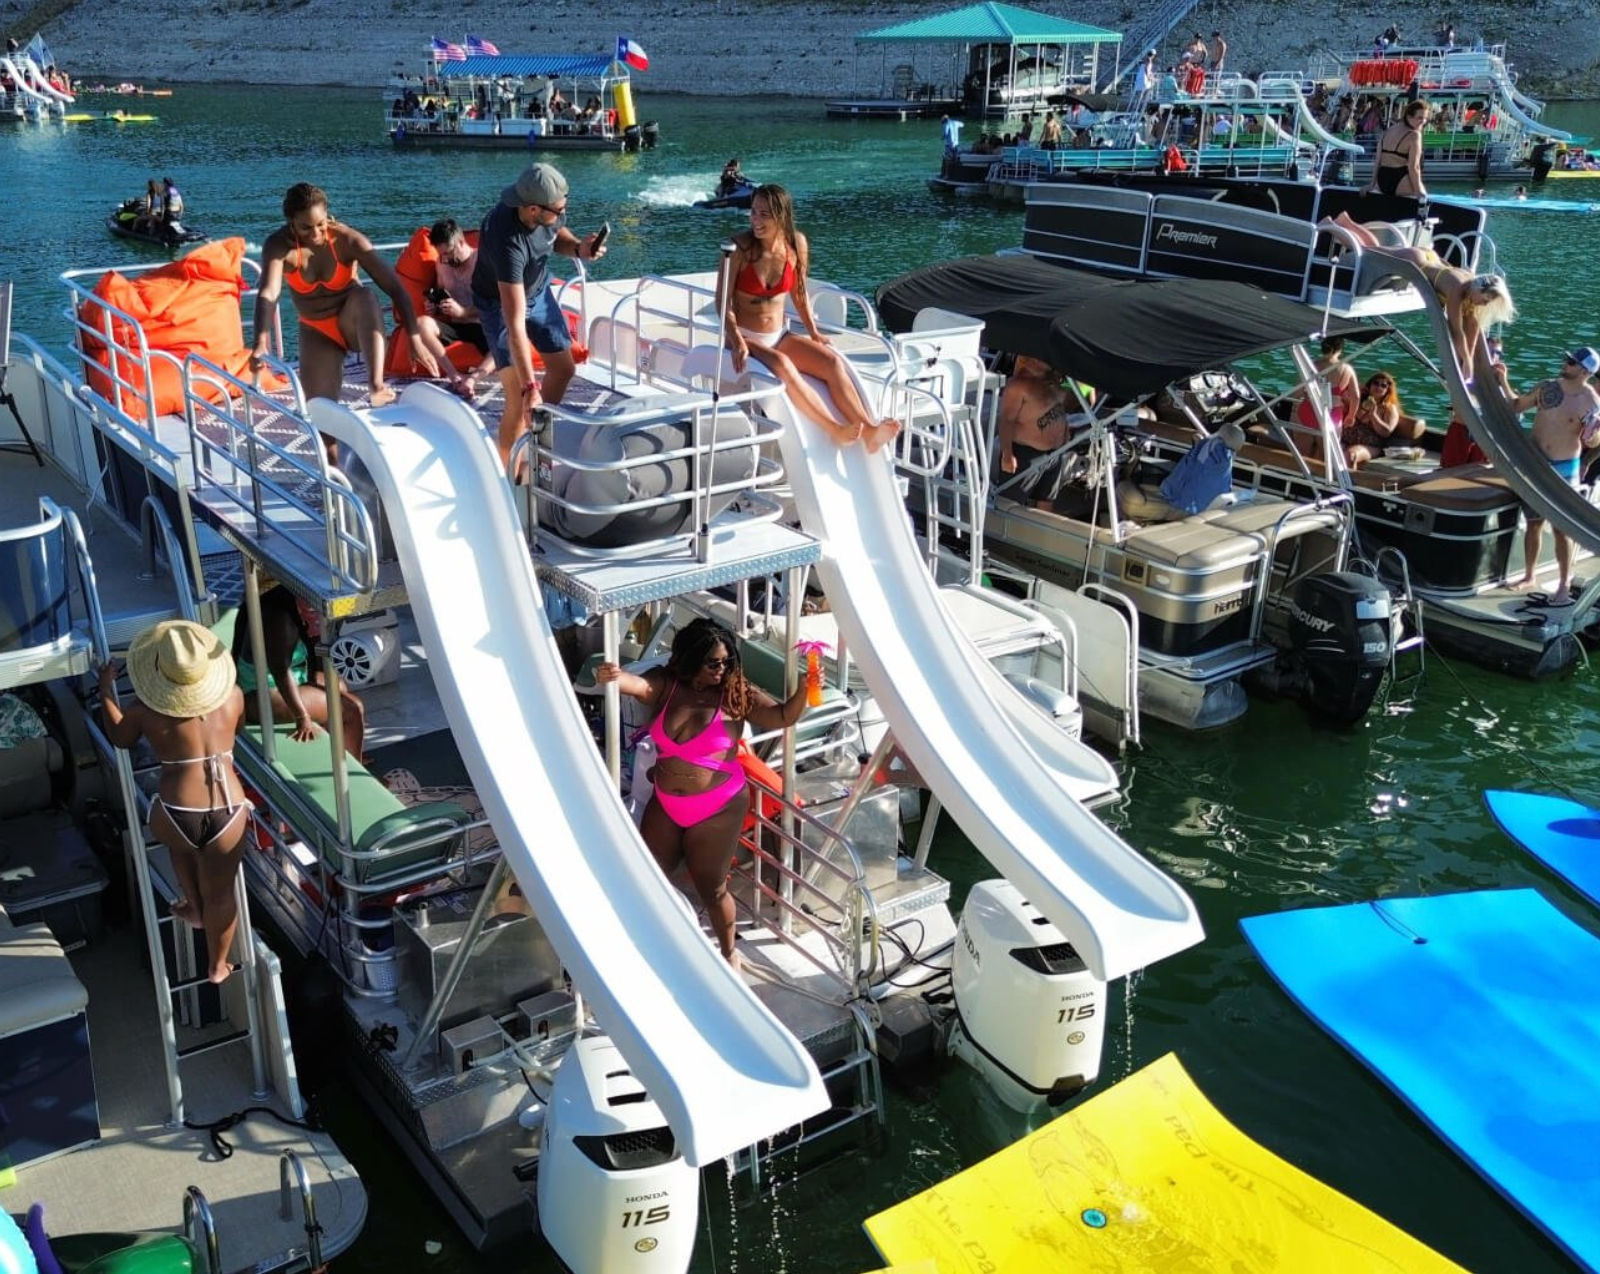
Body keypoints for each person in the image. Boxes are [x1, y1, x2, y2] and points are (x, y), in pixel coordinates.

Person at [596, 618, 809, 965]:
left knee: (711, 887)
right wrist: (613, 677)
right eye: (714, 662)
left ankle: (729, 955)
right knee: (647, 874)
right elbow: (634, 684)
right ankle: (646, 943)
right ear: (692, 658)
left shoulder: (735, 693)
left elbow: (783, 716)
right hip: (665, 804)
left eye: (728, 662)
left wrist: (804, 686)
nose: (722, 669)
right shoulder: (666, 686)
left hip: (718, 808)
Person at [99, 621, 249, 984]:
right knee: (222, 892)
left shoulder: (145, 710)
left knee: (179, 843)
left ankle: (194, 907)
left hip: (176, 811)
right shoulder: (234, 696)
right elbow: (238, 731)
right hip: (228, 810)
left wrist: (105, 689)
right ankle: (218, 966)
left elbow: (119, 737)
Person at [722, 184, 900, 453]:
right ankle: (834, 429)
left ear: (781, 216)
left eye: (764, 214)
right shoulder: (738, 248)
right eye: (753, 212)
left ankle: (869, 430)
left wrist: (813, 333)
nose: (755, 220)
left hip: (778, 336)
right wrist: (736, 339)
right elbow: (722, 302)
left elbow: (800, 294)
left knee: (832, 362)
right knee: (782, 364)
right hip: (746, 339)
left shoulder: (796, 245)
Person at [251, 183, 438, 432]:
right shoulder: (278, 246)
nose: (316, 233)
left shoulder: (348, 240)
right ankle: (332, 468)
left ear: (327, 215)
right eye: (306, 227)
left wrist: (414, 337)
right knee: (321, 421)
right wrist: (260, 343)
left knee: (365, 296)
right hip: (317, 331)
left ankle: (376, 386)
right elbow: (269, 292)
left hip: (353, 322)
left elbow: (395, 288)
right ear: (291, 222)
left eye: (320, 224)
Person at [470, 162, 606, 473]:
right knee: (518, 400)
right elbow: (515, 322)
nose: (562, 213)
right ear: (533, 209)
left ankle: (538, 437)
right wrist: (531, 386)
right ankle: (509, 475)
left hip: (538, 289)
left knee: (563, 368)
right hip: (499, 304)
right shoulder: (507, 241)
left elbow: (555, 234)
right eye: (557, 210)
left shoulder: (549, 207)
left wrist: (579, 249)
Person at [1318, 212, 1516, 377]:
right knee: (1365, 251)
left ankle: (1345, 221)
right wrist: (1466, 363)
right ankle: (1330, 225)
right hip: (1418, 261)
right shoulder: (1458, 288)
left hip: (1428, 257)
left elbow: (1471, 327)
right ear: (1480, 290)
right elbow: (1456, 328)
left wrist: (1470, 359)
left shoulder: (1470, 283)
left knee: (1371, 249)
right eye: (1485, 300)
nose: (1483, 305)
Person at [232, 581, 366, 761]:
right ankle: (353, 769)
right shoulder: (278, 617)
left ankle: (342, 751)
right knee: (352, 709)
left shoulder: (283, 606)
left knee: (339, 685)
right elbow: (280, 671)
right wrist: (302, 716)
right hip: (262, 695)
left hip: (282, 681)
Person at [1507, 347, 1600, 604]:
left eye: (1570, 362)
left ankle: (1564, 584)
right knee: (1534, 523)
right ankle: (1528, 575)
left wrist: (1592, 434)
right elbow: (1517, 406)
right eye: (1567, 359)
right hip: (1536, 464)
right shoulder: (1547, 387)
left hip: (1565, 468)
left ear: (1584, 371)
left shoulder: (1590, 400)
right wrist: (1501, 381)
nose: (1564, 363)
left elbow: (1593, 442)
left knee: (1562, 529)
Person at [417, 218, 493, 397]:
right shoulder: (442, 264)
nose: (447, 259)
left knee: (507, 338)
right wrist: (434, 307)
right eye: (442, 254)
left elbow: (495, 305)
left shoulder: (483, 262)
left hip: (483, 324)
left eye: (449, 253)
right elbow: (442, 292)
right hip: (456, 325)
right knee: (422, 323)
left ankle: (473, 379)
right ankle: (454, 376)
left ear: (460, 242)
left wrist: (464, 312)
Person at [998, 355, 1078, 508]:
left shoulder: (1054, 381)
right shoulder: (1018, 386)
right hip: (1026, 455)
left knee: (1047, 500)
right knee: (1011, 505)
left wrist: (1065, 430)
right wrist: (1007, 454)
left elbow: (1061, 408)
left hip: (1054, 454)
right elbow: (1005, 420)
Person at [1295, 334, 1362, 456]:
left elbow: (1297, 392)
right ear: (1340, 349)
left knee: (1302, 455)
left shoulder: (1312, 366)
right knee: (1327, 459)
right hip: (1333, 414)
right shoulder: (1347, 369)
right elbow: (1356, 396)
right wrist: (1351, 416)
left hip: (1308, 410)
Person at [1341, 371, 1415, 467]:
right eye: (1375, 383)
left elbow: (1386, 432)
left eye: (1383, 386)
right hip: (1346, 439)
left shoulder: (1389, 408)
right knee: (1325, 446)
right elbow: (1344, 394)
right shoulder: (1359, 400)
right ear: (1370, 385)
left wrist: (1373, 415)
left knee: (1351, 454)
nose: (1378, 387)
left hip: (1371, 446)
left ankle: (1349, 480)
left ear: (1388, 390)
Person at [1365, 99, 1429, 198]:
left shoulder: (1388, 130)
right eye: (1419, 118)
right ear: (1408, 116)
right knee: (1424, 195)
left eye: (1425, 118)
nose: (1423, 122)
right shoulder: (1414, 135)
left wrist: (1371, 184)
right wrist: (1419, 191)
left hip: (1382, 180)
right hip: (1400, 180)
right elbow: (1414, 167)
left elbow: (1377, 161)